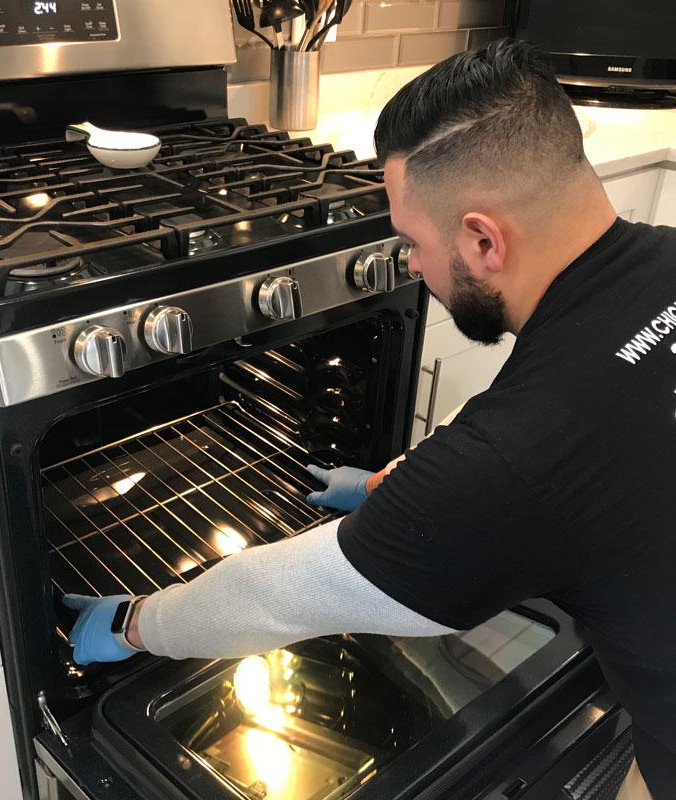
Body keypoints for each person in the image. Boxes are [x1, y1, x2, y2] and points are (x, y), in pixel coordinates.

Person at [64, 39, 675, 799]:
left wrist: (134, 622)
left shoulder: (510, 464)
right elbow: (557, 413)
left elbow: (271, 592)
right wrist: (405, 479)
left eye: (414, 242)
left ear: (484, 239)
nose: (411, 266)